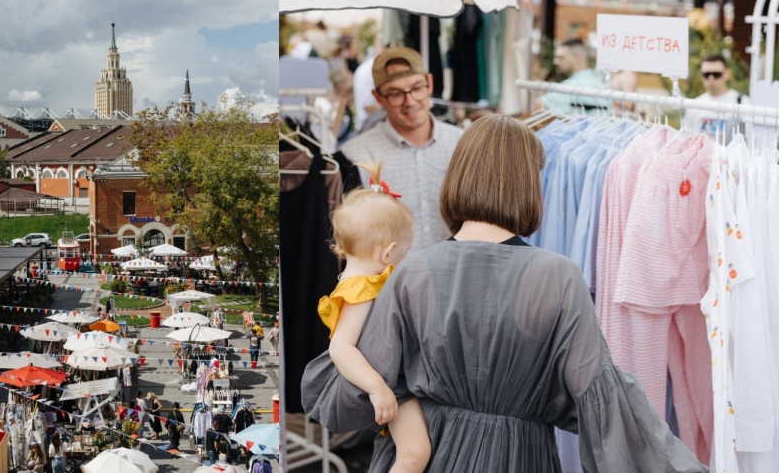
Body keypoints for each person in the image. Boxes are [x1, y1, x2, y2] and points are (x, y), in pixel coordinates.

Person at [301, 115, 707, 472]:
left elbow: (352, 388)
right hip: (520, 454)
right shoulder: (559, 277)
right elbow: (598, 397)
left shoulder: (412, 273)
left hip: (427, 451)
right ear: (529, 182)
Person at [315, 161, 426, 473]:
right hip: (390, 384)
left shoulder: (364, 284)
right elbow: (341, 347)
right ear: (388, 253)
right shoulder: (361, 290)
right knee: (414, 453)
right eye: (405, 253)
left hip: (394, 380)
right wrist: (378, 389)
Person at [339, 47, 464, 251]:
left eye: (417, 88)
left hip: (456, 276)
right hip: (391, 281)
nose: (410, 101)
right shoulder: (354, 156)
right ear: (378, 97)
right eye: (396, 93)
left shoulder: (463, 145)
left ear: (430, 83)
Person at [540, 39, 612, 115]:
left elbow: (537, 106)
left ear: (577, 58)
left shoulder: (570, 86)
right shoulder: (599, 82)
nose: (555, 62)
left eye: (561, 58)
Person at [684, 54, 746, 136]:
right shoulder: (693, 105)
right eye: (706, 75)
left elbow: (750, 139)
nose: (711, 79)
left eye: (716, 74)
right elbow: (688, 138)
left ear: (727, 74)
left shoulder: (742, 101)